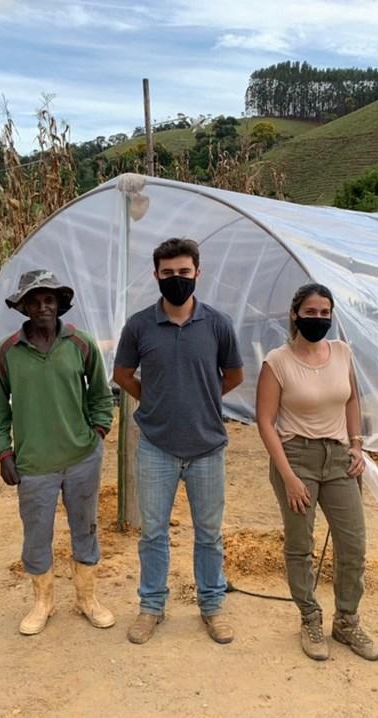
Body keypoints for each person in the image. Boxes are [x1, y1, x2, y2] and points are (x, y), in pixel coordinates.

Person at [113, 238, 244, 645]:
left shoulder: (218, 324)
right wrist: (153, 401)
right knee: (153, 532)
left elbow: (234, 375)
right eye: (168, 273)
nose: (176, 279)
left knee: (209, 533)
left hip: (207, 446)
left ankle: (212, 606)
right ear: (156, 275)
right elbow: (122, 374)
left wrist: (200, 398)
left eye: (184, 272)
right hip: (156, 446)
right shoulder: (139, 325)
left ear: (197, 273)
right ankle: (151, 607)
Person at [255, 283, 378, 662]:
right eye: (311, 313)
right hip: (296, 456)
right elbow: (265, 420)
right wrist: (289, 476)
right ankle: (309, 617)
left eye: (325, 313)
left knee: (353, 543)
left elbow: (353, 399)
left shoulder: (342, 352)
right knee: (300, 544)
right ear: (295, 314)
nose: (318, 319)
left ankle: (347, 621)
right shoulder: (277, 361)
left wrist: (357, 445)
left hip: (338, 457)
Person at [0, 270, 116, 635]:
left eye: (49, 299)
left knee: (86, 527)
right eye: (34, 300)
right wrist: (3, 453)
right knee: (36, 533)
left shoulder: (80, 343)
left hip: (81, 459)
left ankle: (87, 599)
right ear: (24, 306)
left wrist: (97, 432)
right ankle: (42, 603)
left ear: (59, 303)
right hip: (33, 464)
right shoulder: (8, 352)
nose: (43, 306)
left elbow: (101, 397)